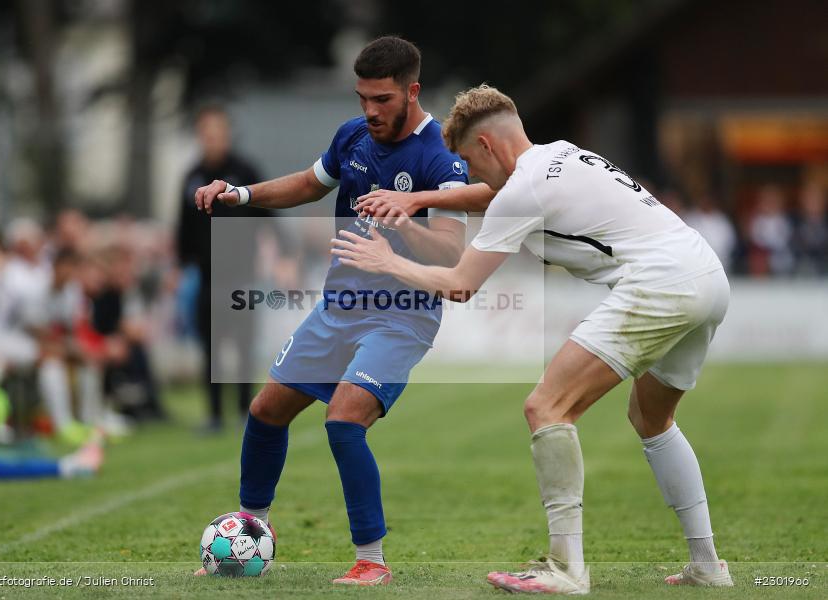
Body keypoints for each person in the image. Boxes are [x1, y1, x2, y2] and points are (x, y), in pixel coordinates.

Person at [336, 84, 733, 594]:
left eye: (468, 163)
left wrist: (388, 261)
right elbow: (497, 193)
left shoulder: (521, 190)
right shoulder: (559, 154)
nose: (470, 175)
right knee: (651, 418)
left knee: (546, 407)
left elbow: (460, 283)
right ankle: (707, 564)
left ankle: (567, 569)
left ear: (486, 147)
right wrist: (419, 196)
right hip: (705, 274)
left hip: (661, 282)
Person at [195, 36, 469, 585]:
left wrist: (403, 220)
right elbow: (305, 186)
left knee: (343, 420)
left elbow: (453, 253)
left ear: (412, 92)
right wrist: (241, 195)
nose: (370, 111)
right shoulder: (352, 135)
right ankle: (249, 532)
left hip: (402, 316)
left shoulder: (440, 154)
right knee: (265, 411)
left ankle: (373, 561)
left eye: (383, 100)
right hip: (338, 308)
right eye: (363, 97)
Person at [177, 104, 275, 433]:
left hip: (242, 275)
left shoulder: (245, 171)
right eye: (207, 134)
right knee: (212, 348)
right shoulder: (191, 176)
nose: (213, 140)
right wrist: (180, 267)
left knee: (244, 345)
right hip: (206, 277)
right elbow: (183, 230)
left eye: (218, 134)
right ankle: (215, 415)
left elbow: (269, 213)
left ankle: (247, 411)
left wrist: (284, 254)